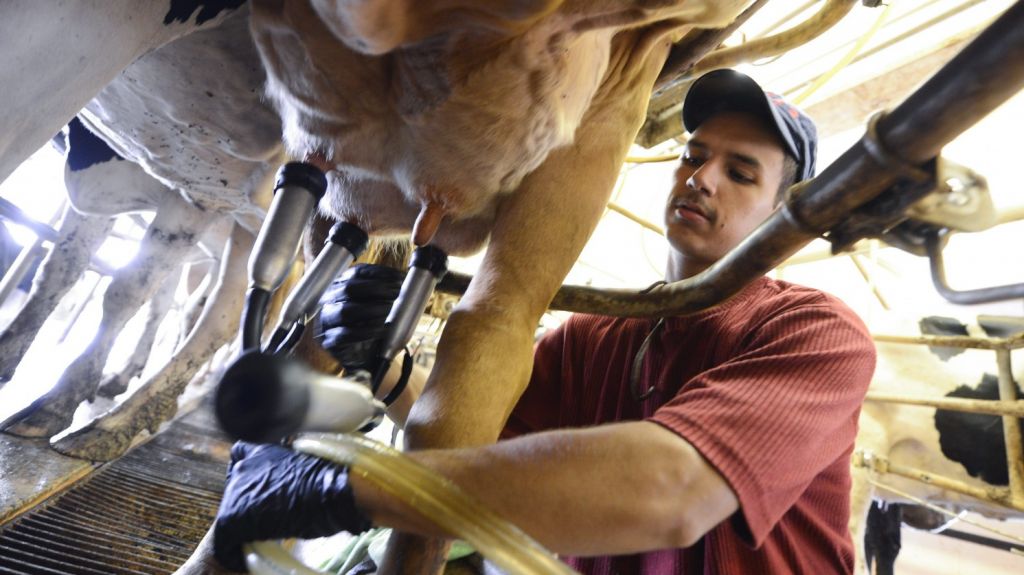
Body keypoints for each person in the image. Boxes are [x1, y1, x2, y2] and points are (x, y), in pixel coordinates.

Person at [212, 69, 876, 574]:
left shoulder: (814, 331)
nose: (702, 179)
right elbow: (485, 439)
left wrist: (349, 489)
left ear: (781, 211)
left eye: (741, 172)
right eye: (694, 155)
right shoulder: (598, 334)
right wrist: (387, 369)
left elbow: (672, 493)